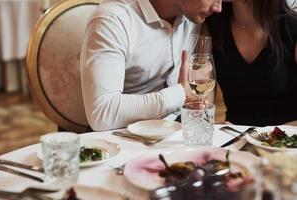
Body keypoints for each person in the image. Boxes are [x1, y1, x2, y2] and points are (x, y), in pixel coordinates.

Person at [80, 0, 222, 131]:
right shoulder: (112, 20)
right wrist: (180, 94)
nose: (218, 8)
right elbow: (101, 113)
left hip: (173, 136)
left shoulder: (193, 16)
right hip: (118, 140)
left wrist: (207, 124)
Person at [206, 0, 297, 126]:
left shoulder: (292, 26)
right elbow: (204, 102)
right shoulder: (210, 23)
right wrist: (212, 127)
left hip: (286, 140)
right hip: (235, 138)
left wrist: (265, 137)